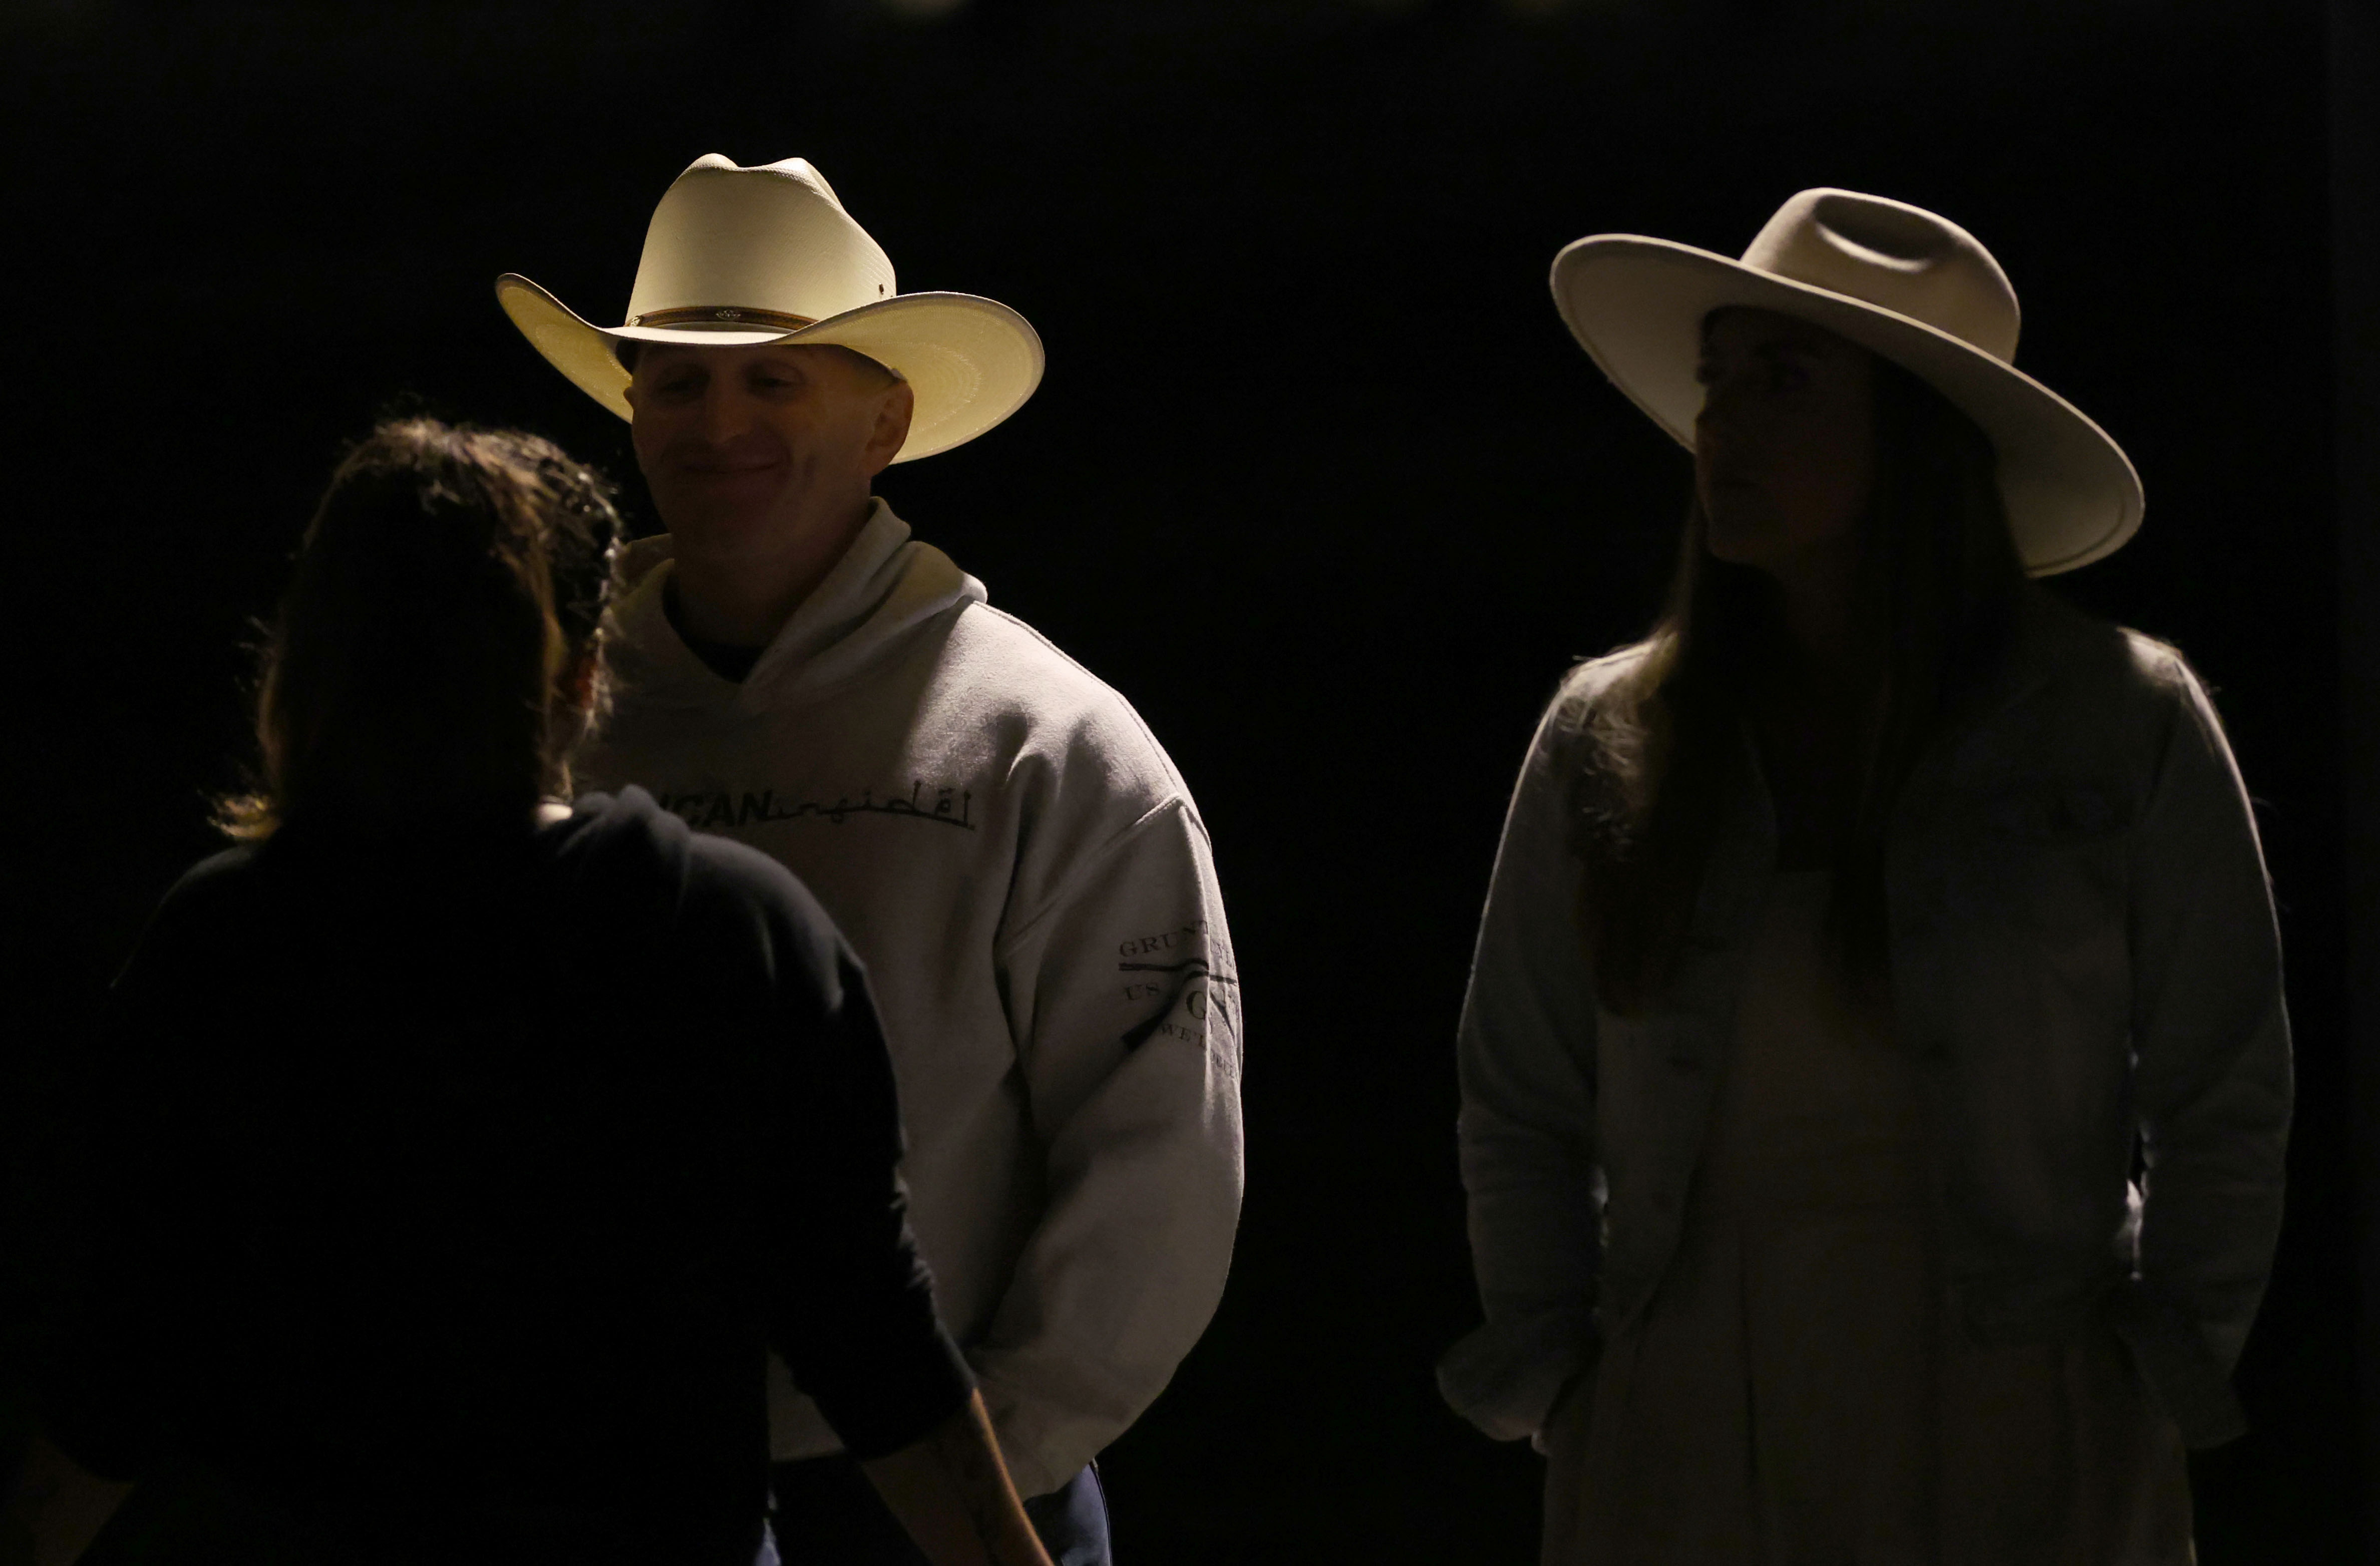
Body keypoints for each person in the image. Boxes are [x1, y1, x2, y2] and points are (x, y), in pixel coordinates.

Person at [28, 420, 1056, 1566]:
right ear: (580, 672)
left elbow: (110, 1368)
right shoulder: (718, 933)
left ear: (307, 659)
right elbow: (875, 1350)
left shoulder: (220, 950)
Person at [1439, 189, 2292, 1563]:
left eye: (1783, 381)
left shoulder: (2118, 719)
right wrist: (1563, 1374)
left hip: (2017, 1412)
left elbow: (2225, 1084)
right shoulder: (1614, 734)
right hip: (1690, 1424)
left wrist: (2158, 1364)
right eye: (1718, 382)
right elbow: (1519, 1091)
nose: (1721, 422)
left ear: (1918, 433)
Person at [494, 155, 1241, 1564]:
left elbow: (1160, 1166)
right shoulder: (545, 732)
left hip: (945, 1486)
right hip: (597, 1488)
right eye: (677, 382)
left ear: (886, 418)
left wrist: (983, 1469)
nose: (719, 422)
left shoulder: (1051, 747)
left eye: (774, 381)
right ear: (631, 413)